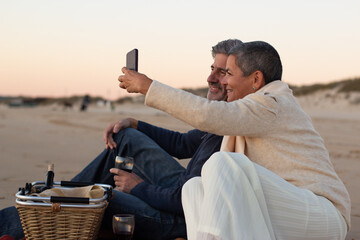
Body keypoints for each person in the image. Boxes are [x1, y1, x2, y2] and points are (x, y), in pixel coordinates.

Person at [0, 39, 243, 240]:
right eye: (212, 68)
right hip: (181, 189)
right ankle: (59, 195)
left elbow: (186, 202)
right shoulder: (224, 117)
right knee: (126, 136)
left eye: (222, 72)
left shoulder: (236, 120)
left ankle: (41, 210)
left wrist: (138, 187)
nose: (211, 78)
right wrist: (134, 123)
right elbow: (183, 144)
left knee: (99, 197)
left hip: (182, 217)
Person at [117, 41, 351, 239]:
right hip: (279, 211)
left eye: (228, 74)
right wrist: (137, 124)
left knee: (221, 163)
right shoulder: (245, 115)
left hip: (322, 215)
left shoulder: (272, 104)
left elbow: (208, 114)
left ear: (256, 80)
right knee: (194, 187)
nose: (223, 81)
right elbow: (188, 139)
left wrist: (148, 87)